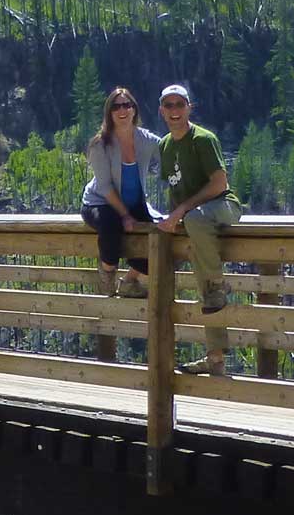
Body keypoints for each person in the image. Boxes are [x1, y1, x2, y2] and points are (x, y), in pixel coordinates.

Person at [154, 82, 242, 375]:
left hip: (223, 207)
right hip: (194, 219)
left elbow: (220, 184)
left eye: (180, 105)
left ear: (190, 107)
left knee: (208, 277)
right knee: (203, 282)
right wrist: (169, 217)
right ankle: (215, 358)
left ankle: (217, 283)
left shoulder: (203, 139)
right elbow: (175, 189)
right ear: (161, 111)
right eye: (169, 106)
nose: (175, 111)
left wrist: (181, 212)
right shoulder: (165, 145)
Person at [80, 86, 164, 299]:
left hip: (134, 203)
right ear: (109, 113)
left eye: (127, 104)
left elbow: (168, 152)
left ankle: (129, 281)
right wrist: (124, 215)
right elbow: (105, 186)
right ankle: (107, 273)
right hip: (100, 202)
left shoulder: (145, 139)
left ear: (134, 109)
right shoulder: (100, 144)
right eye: (116, 106)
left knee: (164, 238)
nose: (122, 110)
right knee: (111, 224)